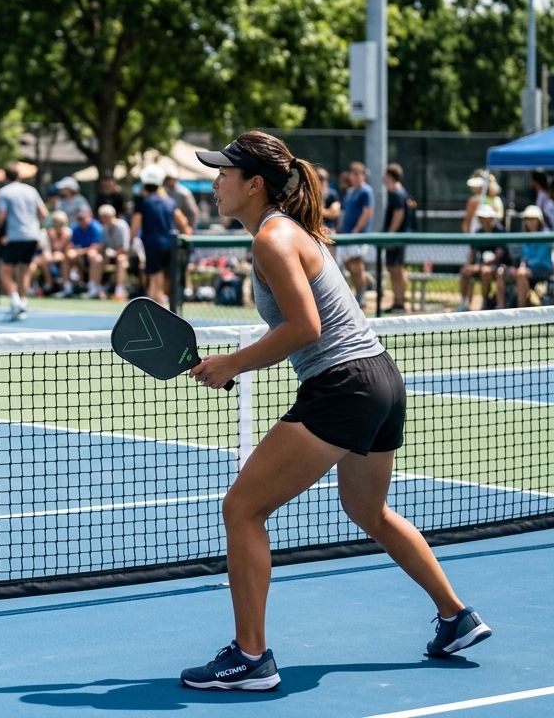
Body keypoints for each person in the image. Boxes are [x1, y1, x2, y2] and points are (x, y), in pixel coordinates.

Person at [183, 130, 490, 691]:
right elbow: (298, 331)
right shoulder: (290, 232)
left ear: (255, 185)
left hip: (345, 386)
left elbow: (306, 328)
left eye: (225, 173)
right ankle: (456, 617)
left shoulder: (273, 239)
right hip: (380, 380)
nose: (216, 181)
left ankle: (250, 658)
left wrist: (236, 363)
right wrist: (234, 362)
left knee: (242, 509)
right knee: (368, 511)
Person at [0, 166, 48, 321]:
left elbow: (2, 215)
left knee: (3, 271)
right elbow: (44, 214)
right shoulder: (31, 190)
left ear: (5, 177)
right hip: (33, 236)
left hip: (16, 237)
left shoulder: (3, 192)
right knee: (23, 271)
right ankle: (23, 305)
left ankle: (15, 301)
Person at [131, 165, 190, 305]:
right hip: (170, 243)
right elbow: (183, 222)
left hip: (151, 243)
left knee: (154, 275)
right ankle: (168, 304)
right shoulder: (169, 201)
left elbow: (135, 224)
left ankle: (156, 303)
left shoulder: (142, 202)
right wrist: (187, 238)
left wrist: (131, 241)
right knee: (168, 275)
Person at [456, 204, 508, 312]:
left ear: (491, 218)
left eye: (485, 218)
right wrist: (470, 266)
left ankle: (484, 302)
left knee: (486, 271)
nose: (482, 220)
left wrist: (479, 266)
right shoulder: (478, 233)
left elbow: (499, 255)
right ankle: (464, 302)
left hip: (498, 267)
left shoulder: (500, 232)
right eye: (481, 218)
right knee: (465, 271)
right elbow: (472, 254)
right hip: (480, 266)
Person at [337, 161, 375, 306]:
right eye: (354, 174)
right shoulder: (349, 192)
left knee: (356, 265)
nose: (356, 177)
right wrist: (340, 228)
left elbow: (367, 212)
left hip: (358, 235)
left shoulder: (366, 191)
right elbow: (345, 213)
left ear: (363, 176)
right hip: (346, 235)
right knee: (349, 265)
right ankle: (368, 280)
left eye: (359, 174)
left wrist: (357, 230)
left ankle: (361, 296)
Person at [381, 163, 411, 313]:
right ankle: (397, 302)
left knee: (397, 270)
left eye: (385, 175)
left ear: (390, 176)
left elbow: (399, 214)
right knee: (393, 269)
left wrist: (390, 235)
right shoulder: (395, 192)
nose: (383, 178)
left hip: (397, 239)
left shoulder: (398, 193)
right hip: (394, 238)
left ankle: (400, 302)